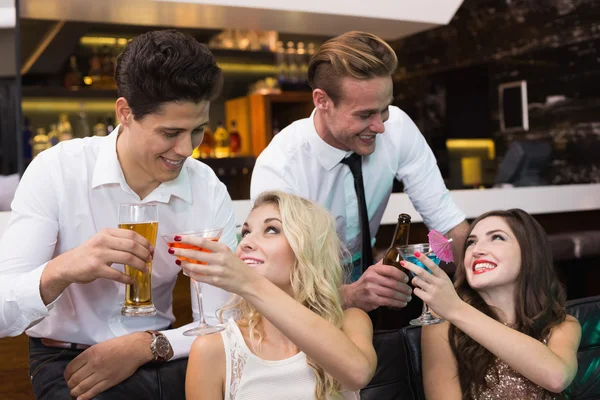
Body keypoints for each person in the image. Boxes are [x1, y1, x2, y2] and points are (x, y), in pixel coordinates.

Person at [0, 30, 237, 400]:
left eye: (198, 131)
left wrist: (146, 346)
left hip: (165, 352)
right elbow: (2, 311)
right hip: (66, 360)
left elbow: (226, 320)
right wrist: (65, 267)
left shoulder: (205, 188)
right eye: (171, 132)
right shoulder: (57, 170)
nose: (187, 149)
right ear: (125, 113)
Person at [250, 31, 469, 322]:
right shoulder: (281, 166)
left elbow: (450, 225)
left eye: (385, 109)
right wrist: (351, 295)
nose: (380, 126)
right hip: (304, 307)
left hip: (374, 287)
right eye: (365, 115)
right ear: (322, 101)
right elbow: (271, 287)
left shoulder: (399, 128)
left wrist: (472, 292)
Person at [169, 191, 377, 399]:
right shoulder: (212, 349)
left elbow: (357, 374)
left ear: (307, 248)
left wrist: (250, 283)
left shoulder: (350, 322)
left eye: (271, 229)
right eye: (246, 232)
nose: (245, 243)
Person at [401, 209, 581, 399]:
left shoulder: (562, 325)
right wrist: (452, 310)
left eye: (497, 238)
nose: (477, 250)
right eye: (471, 242)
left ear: (530, 253)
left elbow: (557, 377)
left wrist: (456, 308)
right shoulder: (442, 320)